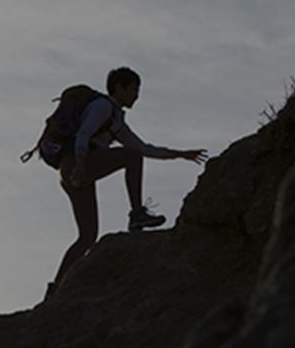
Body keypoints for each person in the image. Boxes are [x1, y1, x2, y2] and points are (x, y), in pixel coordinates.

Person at [45, 67, 208, 300]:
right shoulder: (104, 107)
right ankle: (137, 213)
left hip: (71, 170)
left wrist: (181, 154)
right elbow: (83, 135)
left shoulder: (116, 120)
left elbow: (144, 148)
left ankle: (54, 290)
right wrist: (81, 165)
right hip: (77, 165)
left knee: (88, 236)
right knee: (130, 156)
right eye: (134, 89)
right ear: (119, 87)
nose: (137, 95)